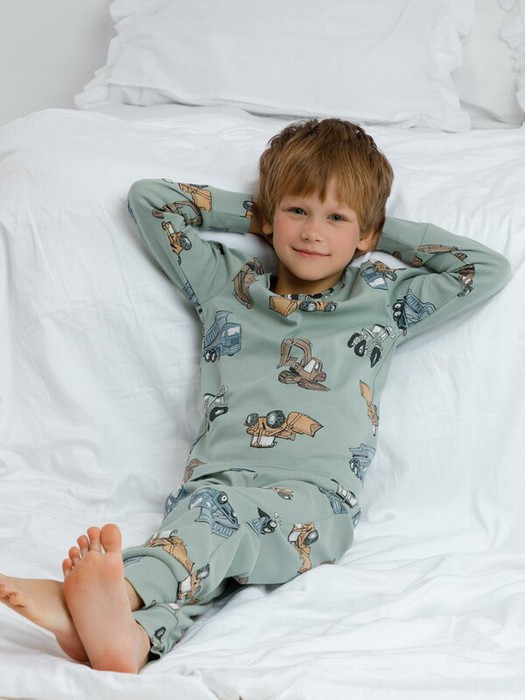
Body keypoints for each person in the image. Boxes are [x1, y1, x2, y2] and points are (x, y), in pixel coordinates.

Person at [0, 119, 511, 673]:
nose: (313, 232)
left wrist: (375, 229)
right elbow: (150, 200)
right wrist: (262, 213)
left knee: (215, 528)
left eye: (336, 218)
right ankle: (128, 640)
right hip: (214, 481)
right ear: (270, 217)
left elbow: (484, 268)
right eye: (298, 211)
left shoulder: (381, 301)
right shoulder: (229, 285)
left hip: (317, 501)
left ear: (365, 233)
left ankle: (114, 594)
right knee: (206, 552)